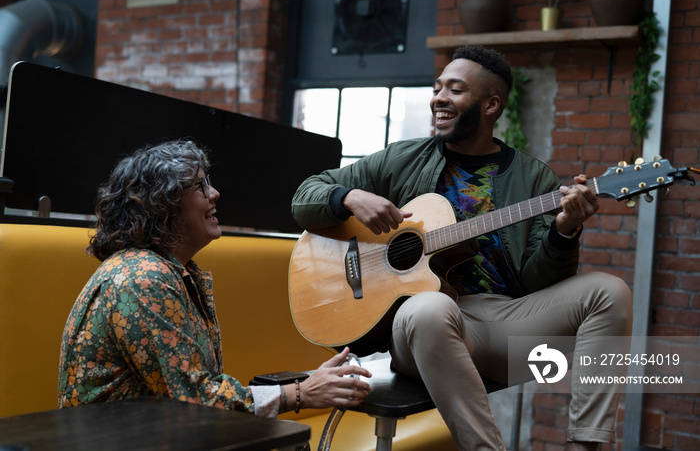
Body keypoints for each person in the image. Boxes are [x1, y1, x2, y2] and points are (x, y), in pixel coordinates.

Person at [291, 45, 632, 450]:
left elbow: (541, 280)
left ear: (490, 105)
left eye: (455, 90)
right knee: (431, 307)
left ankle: (587, 444)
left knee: (610, 291)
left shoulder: (532, 177)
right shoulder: (402, 159)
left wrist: (565, 229)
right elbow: (305, 195)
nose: (439, 98)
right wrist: (349, 198)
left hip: (505, 323)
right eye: (438, 88)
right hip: (421, 327)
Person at [58, 139, 371, 418]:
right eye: (199, 186)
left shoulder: (170, 270)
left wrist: (306, 387)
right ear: (163, 205)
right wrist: (301, 393)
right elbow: (194, 401)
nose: (215, 193)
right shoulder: (142, 278)